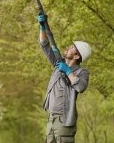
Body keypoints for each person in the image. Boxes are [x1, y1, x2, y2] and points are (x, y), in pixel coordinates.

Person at [38, 13, 91, 143]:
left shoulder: (82, 72)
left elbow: (81, 86)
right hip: (51, 119)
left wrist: (67, 71)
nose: (68, 48)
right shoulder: (58, 63)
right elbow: (44, 45)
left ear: (77, 56)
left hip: (64, 120)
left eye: (72, 48)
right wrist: (42, 27)